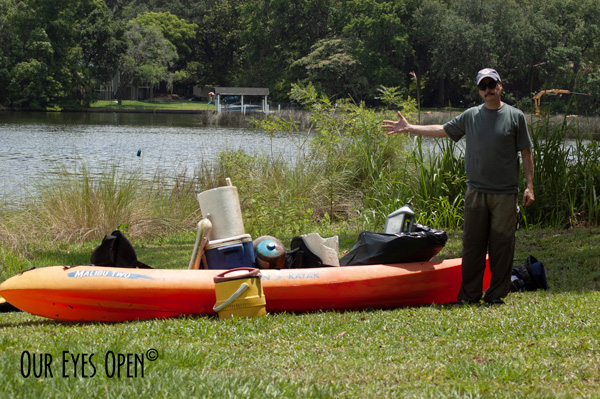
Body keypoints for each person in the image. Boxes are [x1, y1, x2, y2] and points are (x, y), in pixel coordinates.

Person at [382, 68, 535, 306]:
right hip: (475, 192)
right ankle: (469, 296)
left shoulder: (516, 117)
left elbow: (526, 152)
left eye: (491, 84)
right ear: (479, 90)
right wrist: (411, 128)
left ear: (500, 86)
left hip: (505, 194)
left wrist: (530, 186)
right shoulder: (471, 116)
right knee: (472, 246)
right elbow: (442, 129)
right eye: (483, 86)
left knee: (502, 247)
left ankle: (495, 296)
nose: (488, 90)